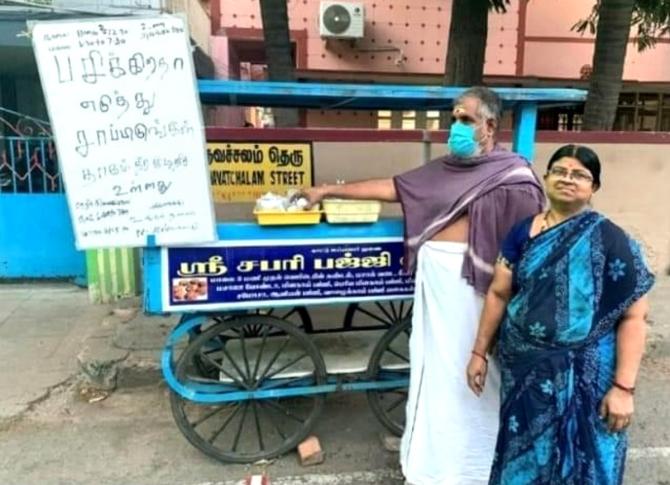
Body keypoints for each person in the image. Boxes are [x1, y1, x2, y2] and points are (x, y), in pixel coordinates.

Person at [299, 87, 545, 484]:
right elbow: (395, 187)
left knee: (480, 372)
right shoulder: (445, 170)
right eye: (453, 118)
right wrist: (327, 190)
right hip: (436, 295)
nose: (456, 127)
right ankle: (434, 468)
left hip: (480, 299)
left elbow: (528, 252)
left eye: (465, 119)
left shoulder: (515, 177)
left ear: (490, 126)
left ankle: (483, 469)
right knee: (437, 377)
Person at [466, 145, 655, 484]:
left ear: (594, 187)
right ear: (547, 178)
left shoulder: (611, 240)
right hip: (526, 368)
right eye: (560, 171)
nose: (568, 179)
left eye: (580, 175)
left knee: (587, 458)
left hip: (588, 372)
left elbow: (633, 317)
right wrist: (479, 351)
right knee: (522, 454)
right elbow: (498, 292)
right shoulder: (522, 233)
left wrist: (623, 388)